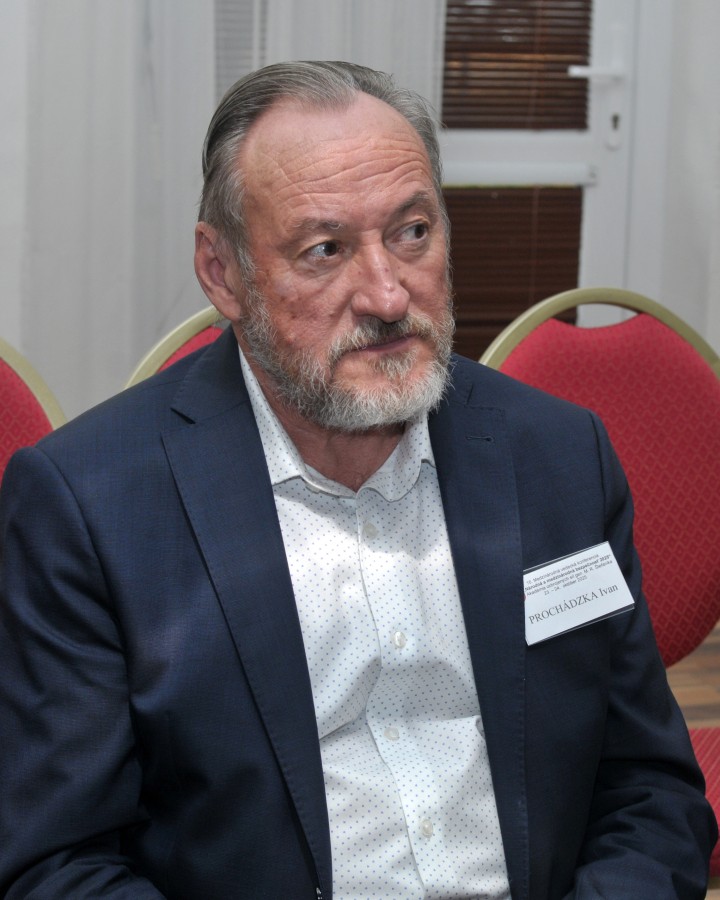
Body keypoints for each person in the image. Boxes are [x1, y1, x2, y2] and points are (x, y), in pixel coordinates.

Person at [0, 60, 715, 900]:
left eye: (412, 232)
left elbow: (649, 790)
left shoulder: (556, 456)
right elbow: (58, 863)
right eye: (325, 250)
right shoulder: (92, 506)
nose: (386, 294)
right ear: (223, 272)